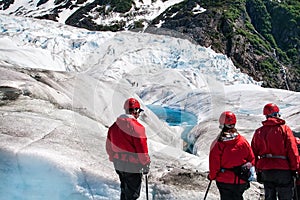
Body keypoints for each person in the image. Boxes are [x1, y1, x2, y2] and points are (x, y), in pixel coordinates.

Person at [251, 103, 299, 200]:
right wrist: (295, 168)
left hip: (266, 170)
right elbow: (292, 150)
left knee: (269, 196)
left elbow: (253, 153)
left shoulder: (259, 132)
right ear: (277, 114)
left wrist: (258, 169)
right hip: (283, 170)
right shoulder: (284, 129)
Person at [106, 97, 151, 200]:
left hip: (118, 164)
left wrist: (113, 158)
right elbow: (142, 150)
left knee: (125, 189)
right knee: (132, 194)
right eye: (138, 111)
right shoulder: (137, 127)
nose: (139, 114)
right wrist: (145, 163)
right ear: (135, 111)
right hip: (132, 165)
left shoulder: (114, 126)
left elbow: (109, 146)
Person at [208, 111, 255, 200]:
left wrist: (212, 176)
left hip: (224, 180)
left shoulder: (218, 144)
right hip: (240, 180)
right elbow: (251, 159)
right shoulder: (242, 141)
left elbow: (214, 163)